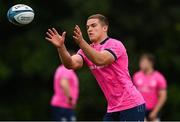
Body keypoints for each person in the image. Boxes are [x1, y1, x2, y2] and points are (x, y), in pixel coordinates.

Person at [46, 14, 145, 121]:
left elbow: (100, 60)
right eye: (88, 27)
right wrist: (61, 47)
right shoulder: (85, 50)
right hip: (113, 108)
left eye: (93, 26)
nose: (90, 29)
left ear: (105, 28)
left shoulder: (115, 44)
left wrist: (81, 42)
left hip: (131, 104)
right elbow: (70, 64)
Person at [133, 53, 167, 121]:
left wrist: (155, 111)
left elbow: (163, 96)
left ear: (150, 63)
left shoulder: (159, 77)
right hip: (139, 110)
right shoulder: (136, 76)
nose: (141, 64)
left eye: (143, 62)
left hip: (153, 110)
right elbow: (133, 94)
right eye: (140, 62)